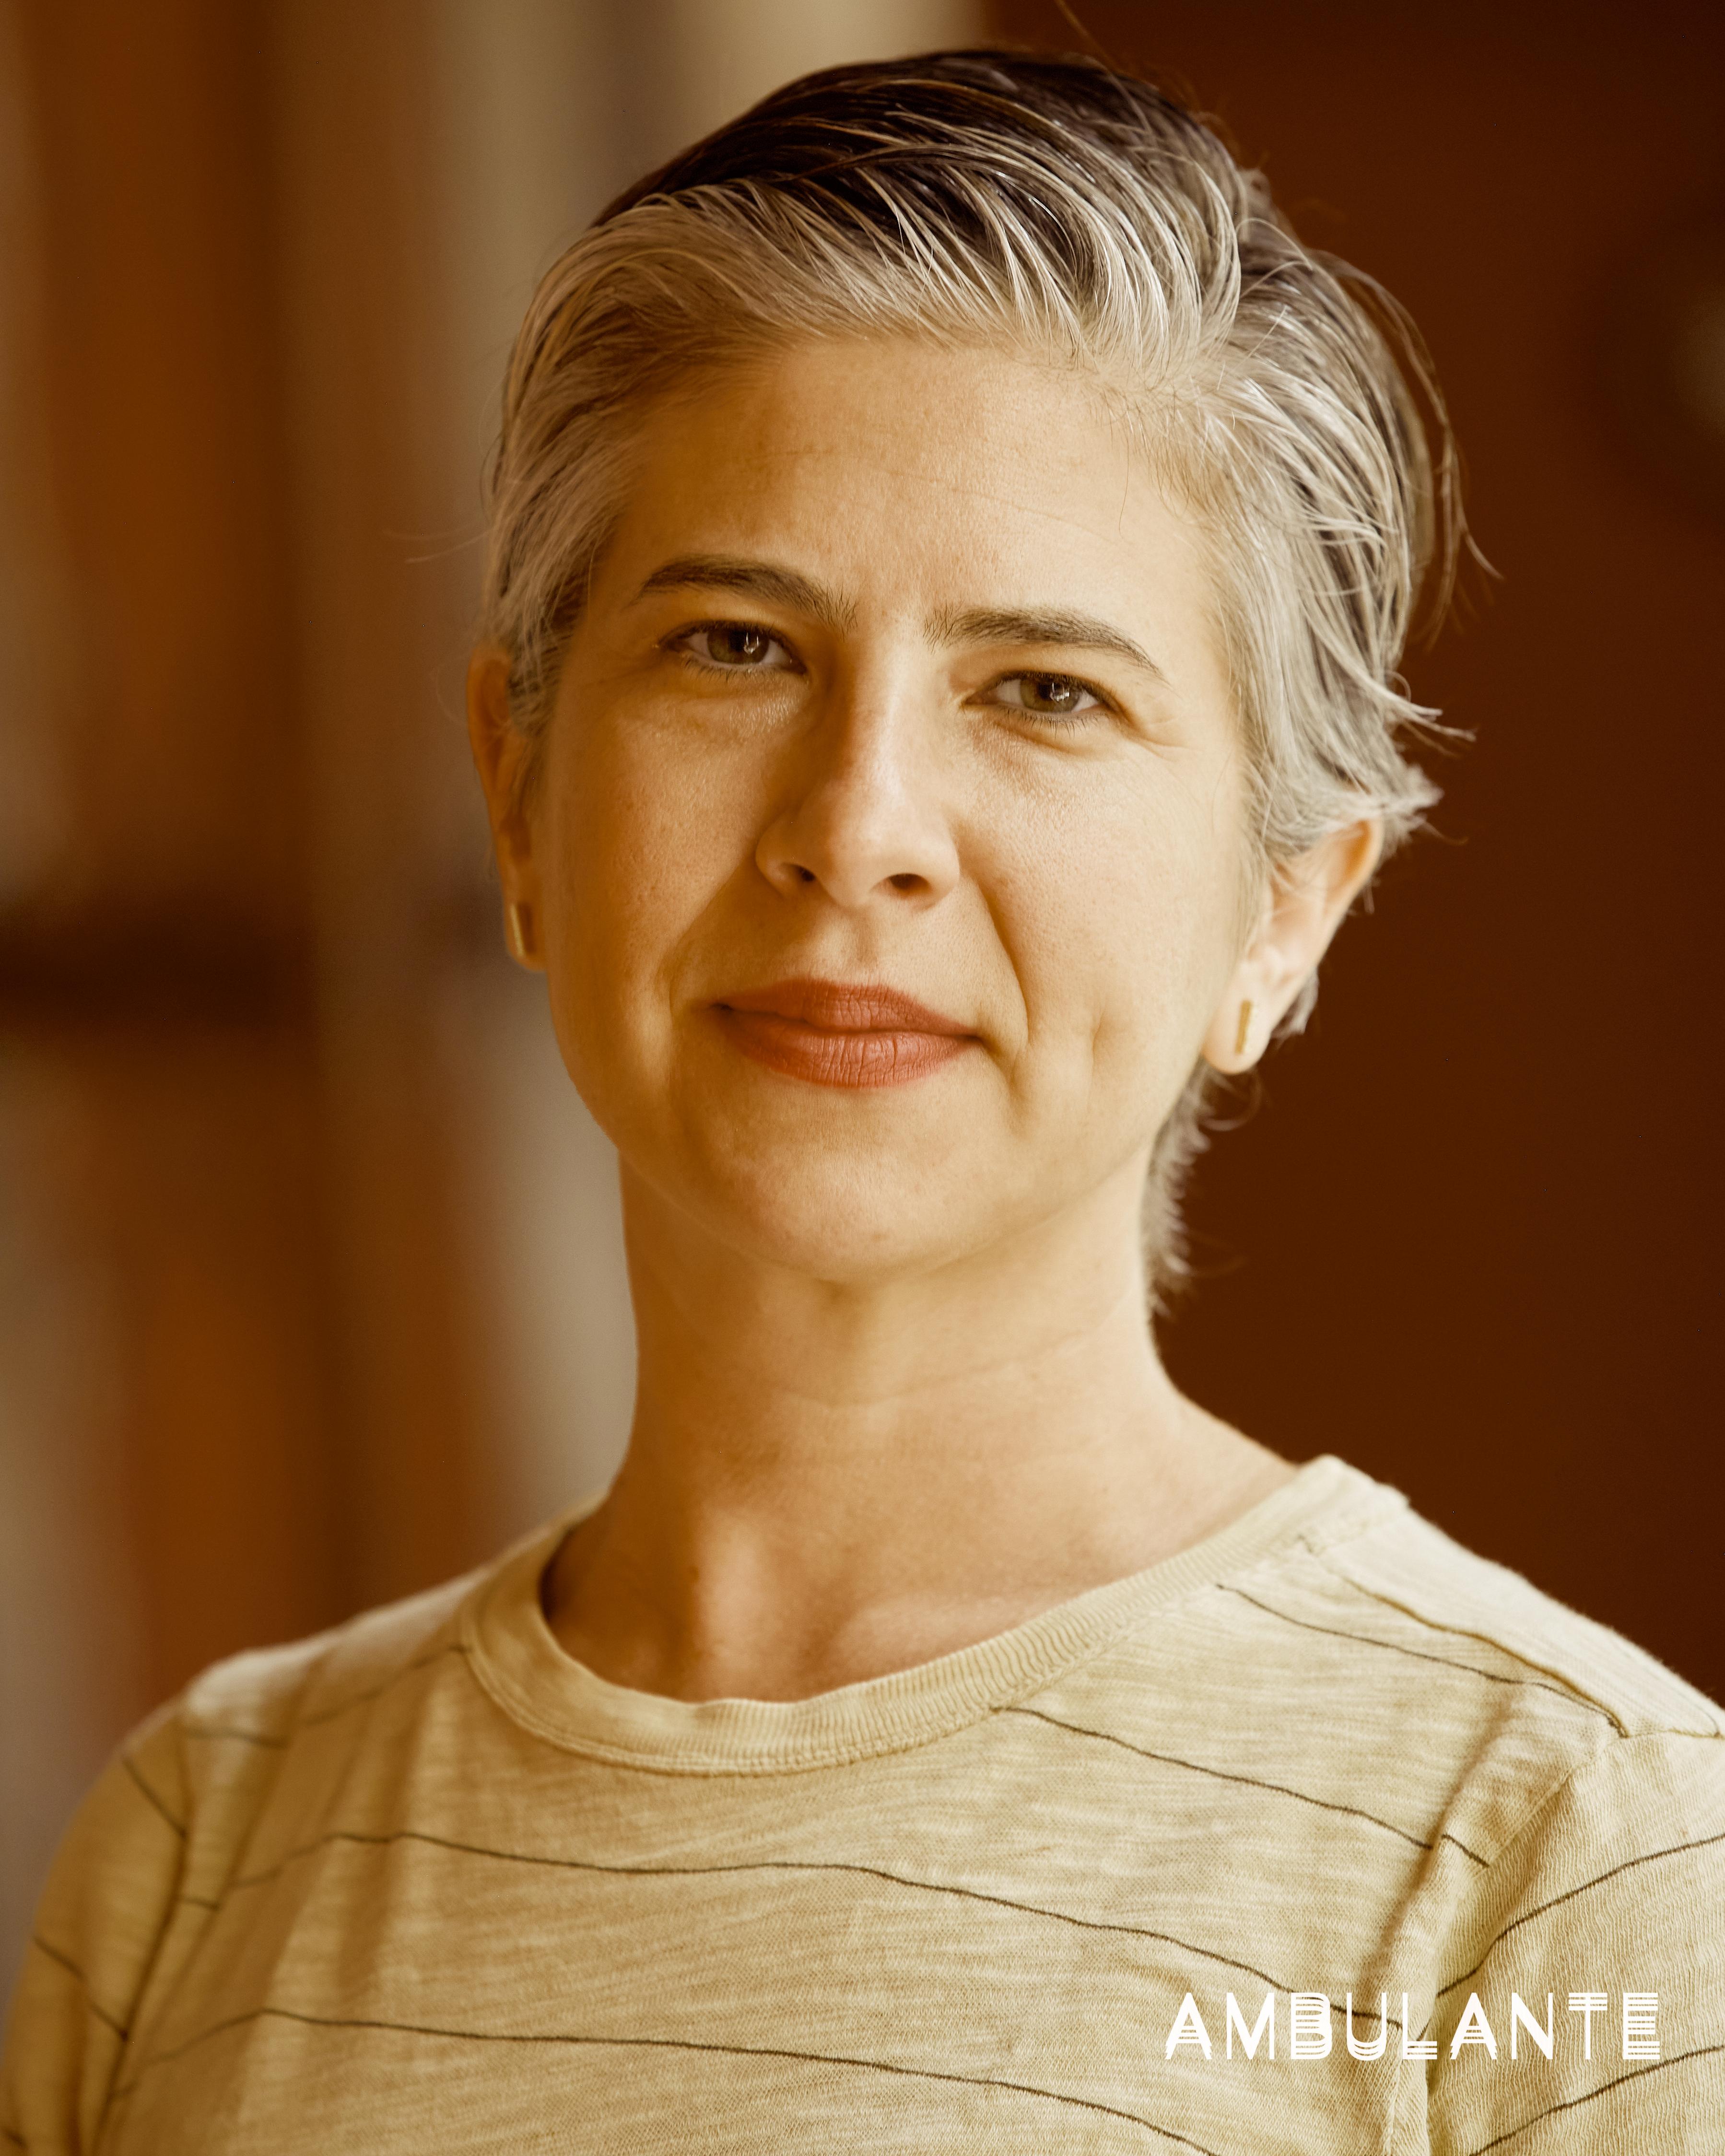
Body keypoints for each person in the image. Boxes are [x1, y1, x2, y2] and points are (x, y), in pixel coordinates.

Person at [5, 48, 1722, 2155]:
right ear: (520, 797)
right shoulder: (202, 1841)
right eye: (736, 646)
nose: (860, 824)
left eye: (1046, 691)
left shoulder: (1571, 1853)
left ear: (1288, 909)